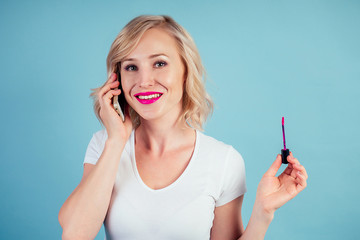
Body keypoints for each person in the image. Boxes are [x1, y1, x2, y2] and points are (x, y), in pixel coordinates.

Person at [58, 15, 308, 240]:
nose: (144, 81)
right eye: (131, 67)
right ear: (117, 81)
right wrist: (115, 141)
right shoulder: (104, 145)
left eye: (159, 63)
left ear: (186, 71)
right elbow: (74, 234)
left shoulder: (223, 161)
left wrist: (263, 213)